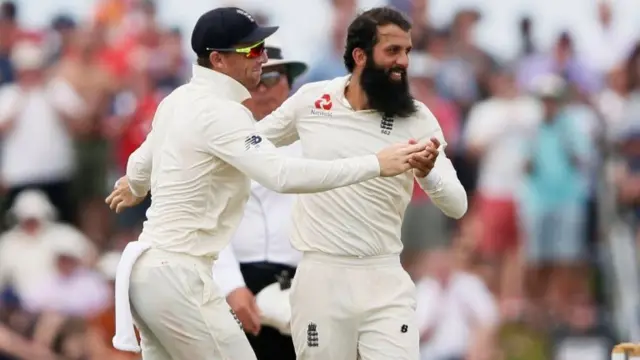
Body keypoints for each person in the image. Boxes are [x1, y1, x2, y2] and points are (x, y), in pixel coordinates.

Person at [104, 7, 434, 360]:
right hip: (179, 278)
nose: (262, 57)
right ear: (218, 60)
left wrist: (135, 186)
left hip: (149, 275)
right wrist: (374, 164)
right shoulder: (223, 113)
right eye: (251, 51)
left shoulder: (179, 99)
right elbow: (281, 175)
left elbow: (141, 161)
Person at [254, 7, 468, 359]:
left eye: (407, 51)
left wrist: (428, 174)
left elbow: (457, 205)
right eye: (392, 52)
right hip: (321, 277)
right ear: (359, 55)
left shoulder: (416, 117)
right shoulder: (312, 101)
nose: (403, 62)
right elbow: (250, 142)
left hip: (384, 275)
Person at [212, 41, 306, 360]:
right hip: (237, 278)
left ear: (289, 84)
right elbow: (209, 218)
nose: (263, 89)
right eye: (255, 80)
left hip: (302, 280)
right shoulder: (219, 140)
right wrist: (230, 286)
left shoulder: (313, 142)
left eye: (273, 78)